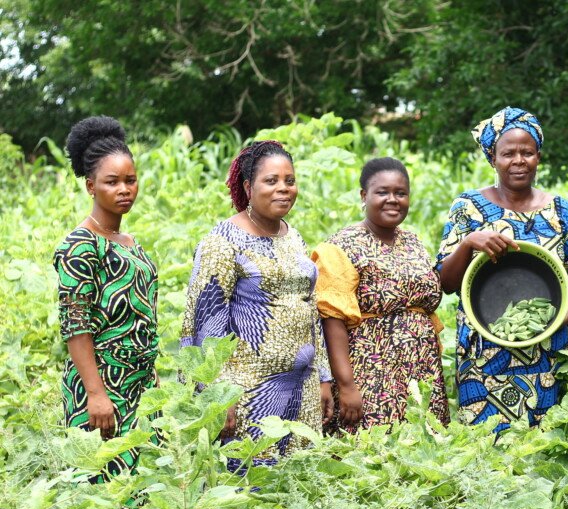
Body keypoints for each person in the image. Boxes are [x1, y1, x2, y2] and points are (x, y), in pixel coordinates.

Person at [436, 106, 568, 431]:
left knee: (543, 450)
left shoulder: (560, 211)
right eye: (508, 153)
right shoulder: (468, 208)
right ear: (493, 158)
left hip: (546, 357)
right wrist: (469, 242)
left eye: (527, 152)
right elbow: (447, 281)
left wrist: (551, 323)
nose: (519, 160)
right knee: (484, 453)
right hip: (483, 359)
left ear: (538, 156)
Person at [180, 140, 332, 467]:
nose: (283, 189)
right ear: (248, 187)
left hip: (301, 391)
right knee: (249, 487)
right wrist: (216, 396)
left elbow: (310, 311)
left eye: (289, 181)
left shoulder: (293, 237)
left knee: (295, 488)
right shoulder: (222, 243)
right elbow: (202, 323)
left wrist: (323, 376)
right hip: (247, 394)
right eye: (271, 181)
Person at [54, 116, 157, 477]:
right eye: (111, 182)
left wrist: (152, 374)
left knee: (145, 488)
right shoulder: (80, 245)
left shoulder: (131, 244)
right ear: (90, 186)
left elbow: (140, 316)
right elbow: (75, 324)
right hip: (102, 385)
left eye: (130, 180)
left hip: (140, 384)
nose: (124, 189)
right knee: (105, 490)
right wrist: (95, 394)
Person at [312, 157, 449, 430]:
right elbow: (332, 320)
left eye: (400, 193)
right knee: (373, 453)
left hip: (421, 370)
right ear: (364, 196)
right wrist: (347, 386)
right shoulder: (341, 246)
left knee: (424, 449)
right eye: (382, 192)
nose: (393, 200)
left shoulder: (413, 242)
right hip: (371, 373)